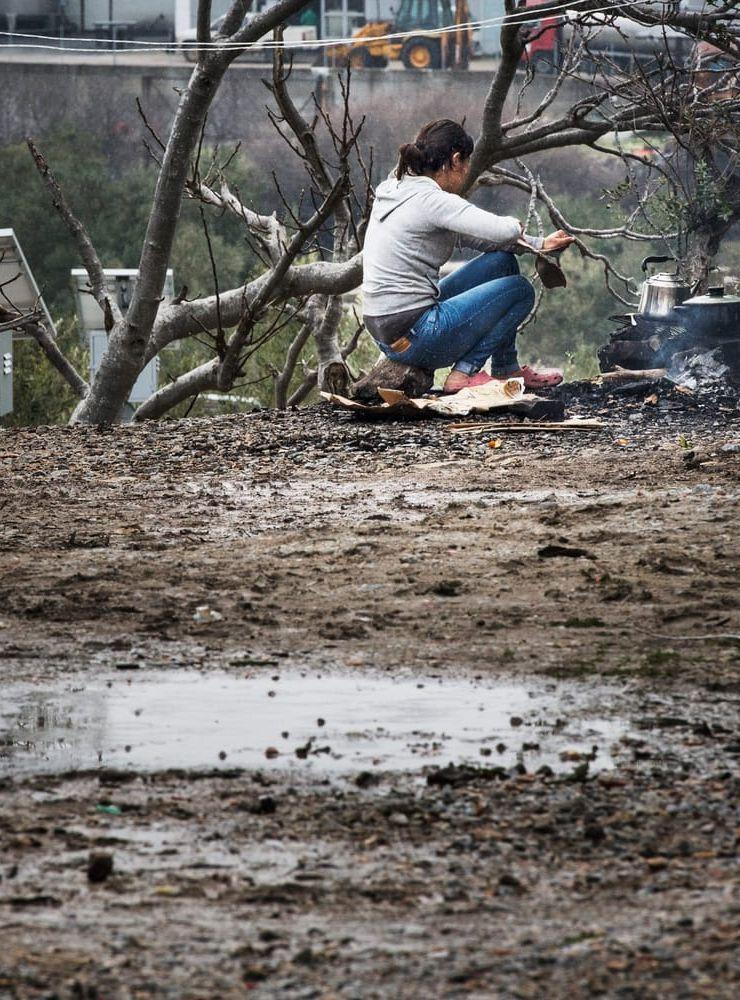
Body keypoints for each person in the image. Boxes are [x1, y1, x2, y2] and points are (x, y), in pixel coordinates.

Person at [362, 119, 575, 393]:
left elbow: (481, 238)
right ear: (455, 160)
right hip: (415, 336)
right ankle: (464, 373)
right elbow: (503, 230)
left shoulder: (396, 189)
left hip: (389, 331)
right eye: (466, 163)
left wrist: (539, 243)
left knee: (502, 263)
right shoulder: (433, 201)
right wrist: (514, 227)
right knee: (521, 290)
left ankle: (506, 367)